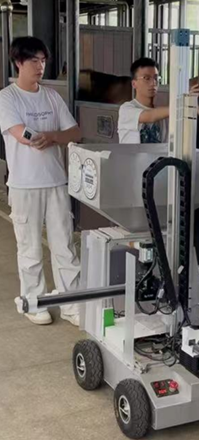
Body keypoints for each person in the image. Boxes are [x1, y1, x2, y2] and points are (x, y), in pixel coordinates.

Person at [0, 37, 82, 326]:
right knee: (30, 248)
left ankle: (72, 303)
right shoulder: (7, 97)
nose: (40, 66)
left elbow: (74, 132)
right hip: (24, 185)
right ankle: (34, 303)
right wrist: (41, 136)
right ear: (18, 62)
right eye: (34, 60)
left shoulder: (51, 97)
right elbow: (19, 132)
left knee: (65, 246)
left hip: (56, 182)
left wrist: (53, 136)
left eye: (43, 60)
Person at [118, 57, 199, 144]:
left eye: (156, 78)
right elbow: (150, 116)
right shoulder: (126, 109)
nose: (153, 83)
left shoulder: (163, 115)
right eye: (146, 78)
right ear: (134, 84)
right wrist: (185, 102)